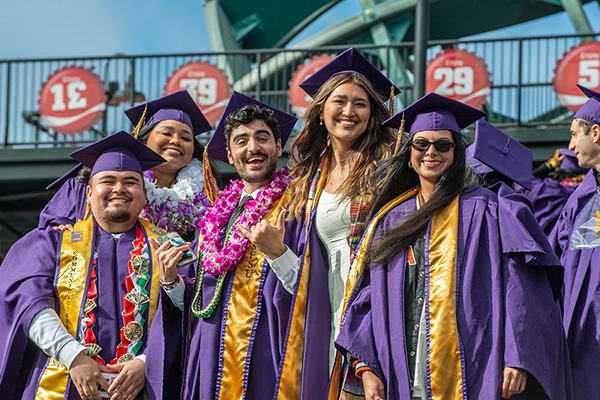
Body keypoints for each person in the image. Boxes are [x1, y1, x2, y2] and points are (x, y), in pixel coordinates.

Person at [334, 93, 571, 400]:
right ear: (408, 154)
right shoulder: (389, 220)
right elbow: (367, 298)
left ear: (456, 153)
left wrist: (517, 355)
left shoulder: (489, 210)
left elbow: (522, 288)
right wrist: (366, 368)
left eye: (443, 145)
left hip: (472, 367)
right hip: (401, 373)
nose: (431, 152)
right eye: (421, 144)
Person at [145, 91, 300, 399]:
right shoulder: (213, 217)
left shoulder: (296, 206)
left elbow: (317, 290)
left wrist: (280, 254)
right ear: (229, 154)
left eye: (262, 138)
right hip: (209, 356)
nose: (252, 148)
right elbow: (201, 298)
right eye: (241, 141)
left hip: (269, 352)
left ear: (279, 146)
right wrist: (172, 281)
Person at [0, 131, 172, 400]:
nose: (119, 189)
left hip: (143, 387)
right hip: (64, 383)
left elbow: (186, 316)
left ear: (144, 194)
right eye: (108, 180)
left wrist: (147, 361)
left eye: (130, 182)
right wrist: (74, 356)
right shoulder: (51, 242)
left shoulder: (170, 248)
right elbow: (28, 305)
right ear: (89, 193)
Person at [277, 47, 398, 399]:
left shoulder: (389, 167)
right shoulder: (311, 177)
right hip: (327, 308)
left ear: (373, 114)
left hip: (375, 305)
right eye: (339, 101)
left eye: (360, 103)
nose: (349, 111)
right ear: (320, 111)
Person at [39, 90, 213, 241]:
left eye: (186, 138)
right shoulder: (93, 185)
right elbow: (51, 230)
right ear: (144, 140)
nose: (175, 141)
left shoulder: (207, 199)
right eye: (167, 133)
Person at [550, 84, 600, 399]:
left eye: (574, 135)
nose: (570, 144)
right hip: (580, 331)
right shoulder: (579, 200)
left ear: (595, 133)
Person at [526, 148, 588, 236]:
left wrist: (548, 167)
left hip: (528, 237)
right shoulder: (577, 196)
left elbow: (525, 181)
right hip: (551, 243)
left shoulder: (540, 186)